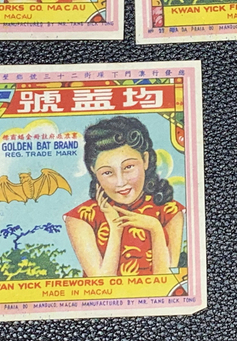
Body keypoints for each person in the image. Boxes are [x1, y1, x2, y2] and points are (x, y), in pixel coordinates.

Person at [64, 117, 184, 277]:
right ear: (93, 171)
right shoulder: (81, 218)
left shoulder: (169, 211)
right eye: (107, 172)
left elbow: (166, 282)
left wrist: (155, 228)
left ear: (145, 160)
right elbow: (101, 284)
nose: (120, 182)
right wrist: (116, 229)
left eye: (128, 167)